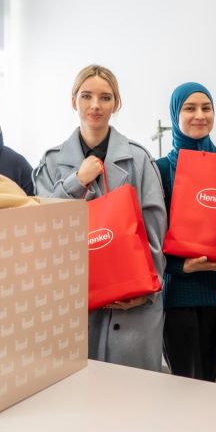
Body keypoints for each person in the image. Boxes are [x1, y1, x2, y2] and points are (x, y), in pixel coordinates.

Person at [33, 65, 167, 371]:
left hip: (132, 310)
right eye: (86, 96)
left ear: (116, 104)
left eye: (105, 97)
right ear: (73, 101)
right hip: (73, 305)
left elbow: (155, 229)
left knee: (132, 394)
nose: (95, 105)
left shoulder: (138, 159)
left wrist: (146, 292)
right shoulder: (51, 162)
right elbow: (41, 227)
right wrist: (76, 181)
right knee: (75, 392)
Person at [155, 82, 216, 383]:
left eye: (207, 108)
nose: (200, 115)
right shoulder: (159, 170)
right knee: (191, 390)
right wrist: (182, 266)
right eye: (190, 108)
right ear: (175, 115)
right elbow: (148, 238)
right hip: (183, 297)